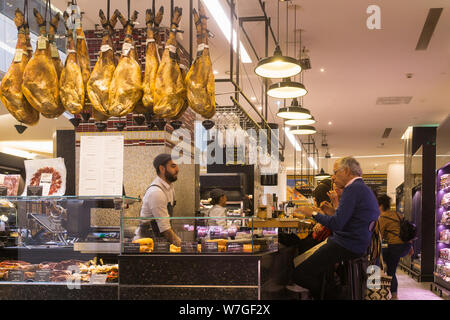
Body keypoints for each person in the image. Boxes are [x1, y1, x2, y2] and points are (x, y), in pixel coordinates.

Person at [292, 156, 380, 299]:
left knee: (299, 274)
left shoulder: (351, 189)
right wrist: (332, 212)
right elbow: (347, 220)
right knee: (319, 271)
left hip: (346, 244)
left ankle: (331, 295)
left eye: (335, 172)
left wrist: (313, 213)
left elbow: (337, 224)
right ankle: (329, 289)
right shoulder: (363, 189)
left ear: (346, 171)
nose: (332, 177)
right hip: (356, 244)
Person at [135, 153, 181, 246]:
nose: (177, 170)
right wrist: (183, 247)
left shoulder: (170, 188)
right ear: (162, 169)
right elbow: (165, 230)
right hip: (147, 245)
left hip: (159, 242)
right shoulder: (156, 192)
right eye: (173, 166)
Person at [377, 194, 413, 300]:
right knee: (386, 257)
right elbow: (405, 230)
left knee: (390, 270)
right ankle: (384, 267)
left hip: (396, 247)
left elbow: (378, 236)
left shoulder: (383, 218)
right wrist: (410, 247)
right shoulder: (397, 214)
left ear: (380, 206)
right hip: (406, 246)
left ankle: (394, 295)